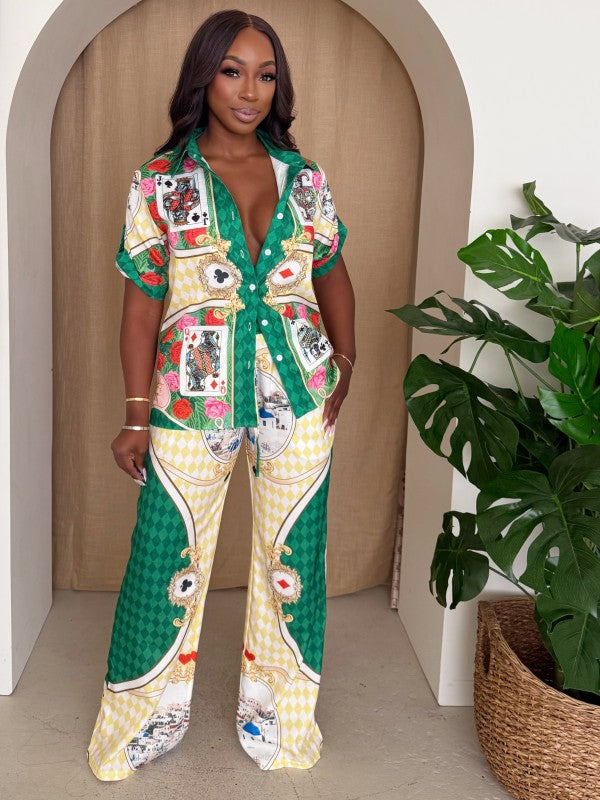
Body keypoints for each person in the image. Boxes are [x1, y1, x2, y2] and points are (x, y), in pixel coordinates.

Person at [86, 8, 355, 781]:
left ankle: (282, 729)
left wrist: (345, 361)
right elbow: (142, 304)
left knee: (292, 563)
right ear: (204, 77)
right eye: (233, 71)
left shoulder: (304, 178)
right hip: (188, 401)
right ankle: (136, 729)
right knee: (164, 560)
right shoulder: (161, 181)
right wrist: (135, 415)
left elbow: (333, 271)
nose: (249, 90)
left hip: (299, 395)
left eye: (266, 75)